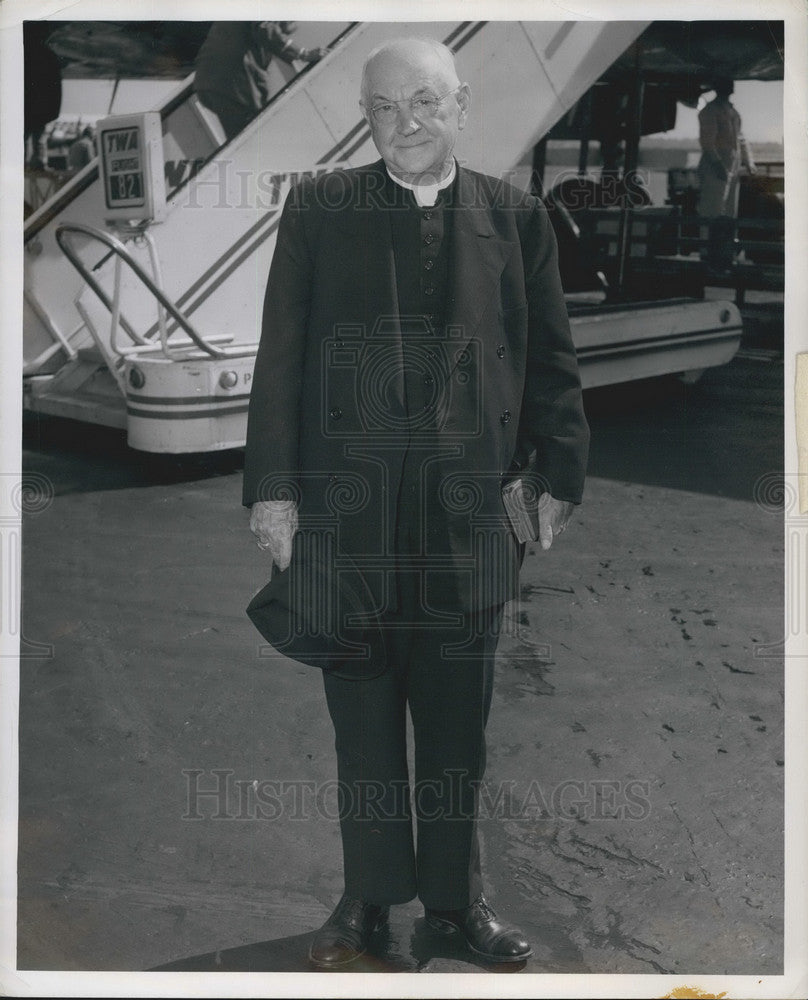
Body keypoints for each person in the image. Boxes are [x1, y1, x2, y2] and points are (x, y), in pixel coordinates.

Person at [243, 37, 589, 968]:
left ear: (462, 106)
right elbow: (280, 357)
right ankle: (364, 905)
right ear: (368, 118)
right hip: (348, 522)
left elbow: (552, 364)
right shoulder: (320, 209)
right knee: (361, 726)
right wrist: (273, 489)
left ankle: (453, 907)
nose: (405, 125)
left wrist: (557, 480)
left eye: (424, 105)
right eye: (385, 109)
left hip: (468, 524)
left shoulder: (518, 219)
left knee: (454, 728)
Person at [194, 22, 327, 141]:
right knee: (254, 140)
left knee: (244, 141)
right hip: (233, 81)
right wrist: (303, 54)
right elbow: (265, 29)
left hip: (209, 81)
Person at [697, 78, 756, 269]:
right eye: (725, 83)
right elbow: (707, 143)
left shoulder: (733, 112)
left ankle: (727, 251)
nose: (730, 87)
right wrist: (717, 165)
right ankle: (707, 251)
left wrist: (749, 163)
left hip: (733, 163)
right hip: (716, 164)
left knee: (730, 211)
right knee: (712, 209)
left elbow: (741, 138)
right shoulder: (710, 111)